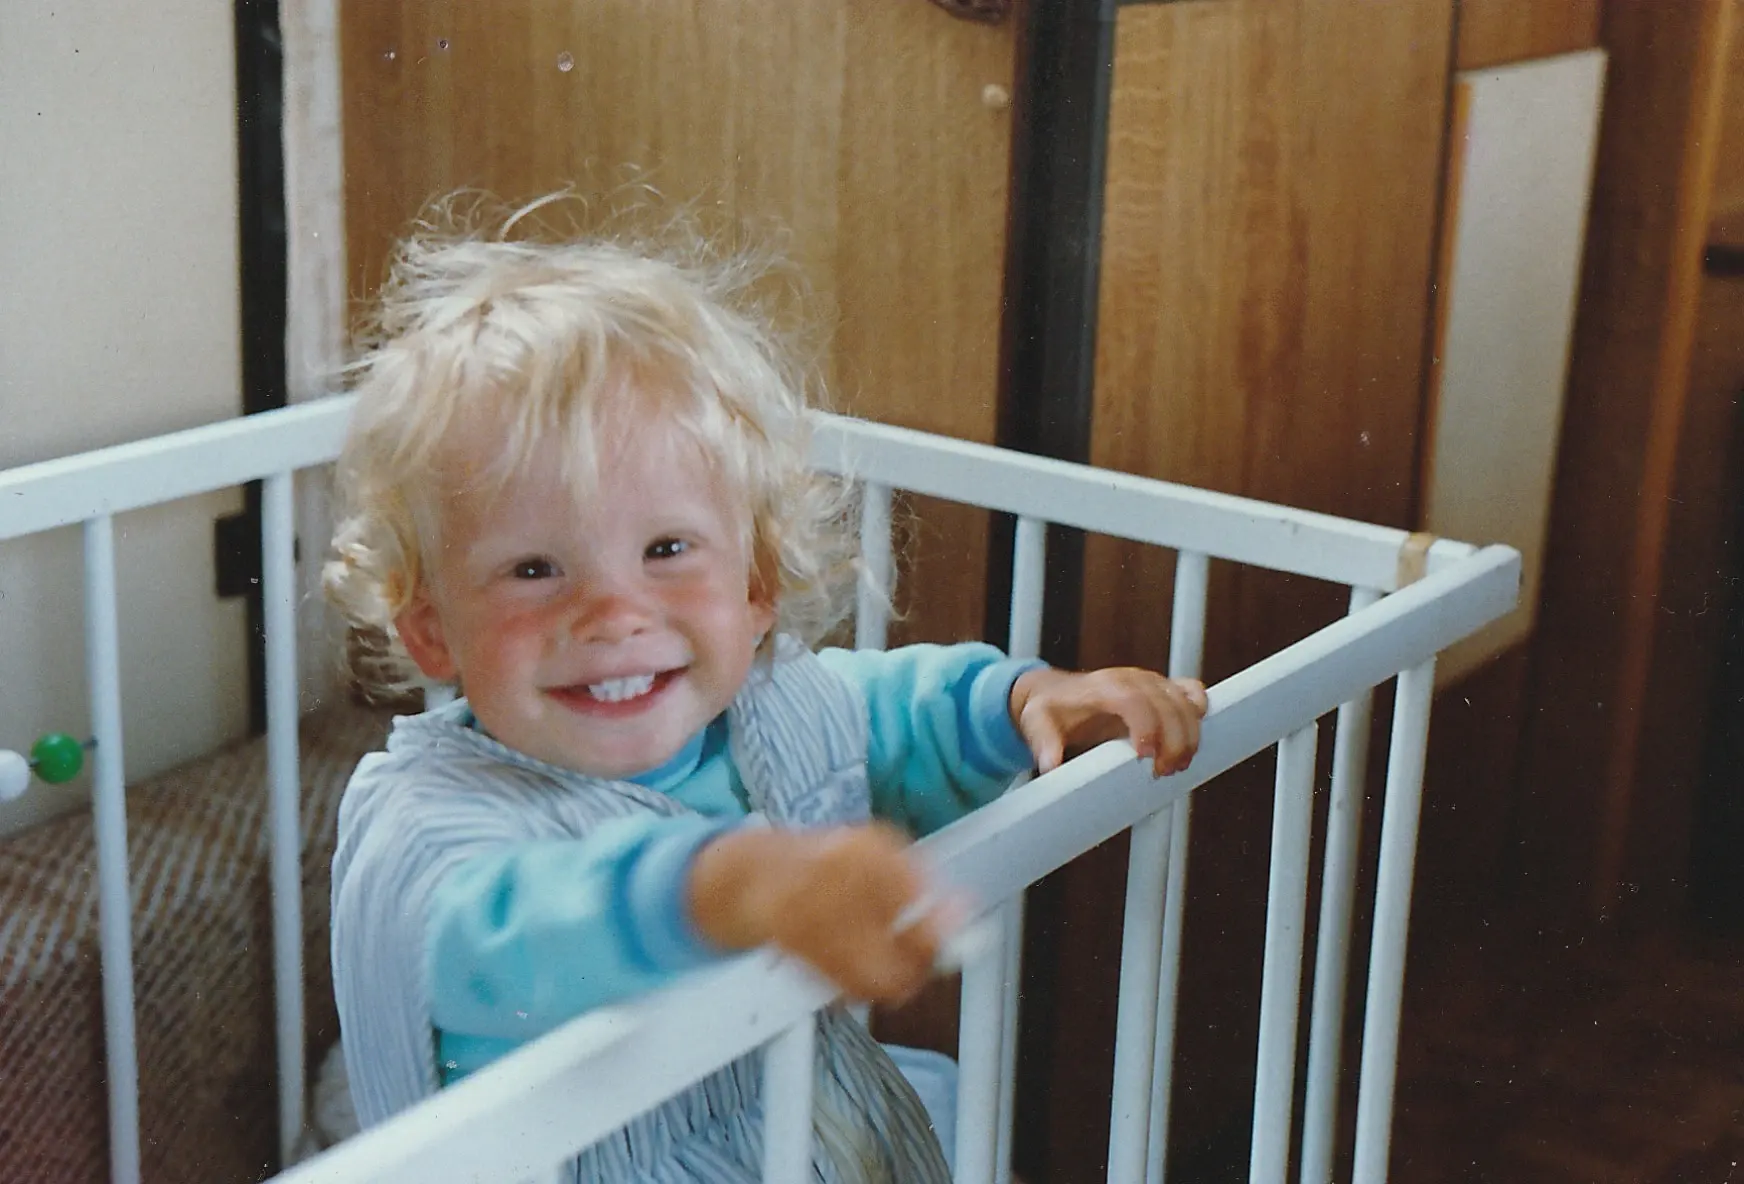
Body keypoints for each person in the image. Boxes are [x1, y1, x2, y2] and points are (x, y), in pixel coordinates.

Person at [323, 197, 1208, 1183]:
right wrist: (730, 885)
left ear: (754, 588)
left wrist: (1017, 702)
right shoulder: (432, 828)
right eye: (535, 567)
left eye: (666, 548)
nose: (612, 612)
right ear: (430, 625)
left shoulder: (769, 710)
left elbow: (893, 712)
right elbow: (518, 927)